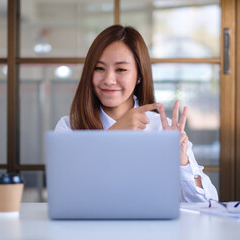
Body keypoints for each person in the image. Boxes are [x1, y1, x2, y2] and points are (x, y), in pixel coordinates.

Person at [55, 25, 218, 202]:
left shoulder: (163, 130)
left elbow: (208, 204)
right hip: (91, 229)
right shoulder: (69, 127)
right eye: (99, 68)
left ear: (139, 75)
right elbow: (64, 195)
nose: (109, 79)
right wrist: (113, 135)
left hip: (153, 230)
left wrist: (182, 162)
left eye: (121, 70)